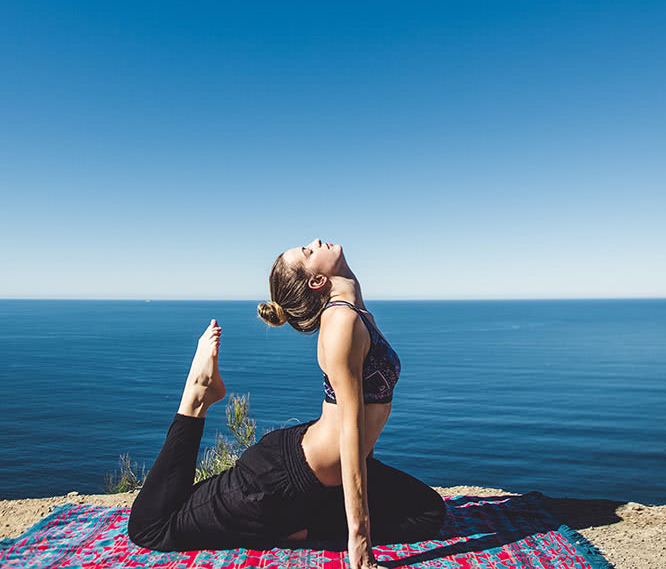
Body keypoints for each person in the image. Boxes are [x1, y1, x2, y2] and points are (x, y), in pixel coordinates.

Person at [126, 238, 446, 569]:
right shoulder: (341, 323)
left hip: (320, 475)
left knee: (428, 513)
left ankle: (291, 526)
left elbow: (362, 426)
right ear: (317, 281)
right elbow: (350, 432)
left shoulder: (357, 315)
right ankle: (196, 397)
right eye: (308, 251)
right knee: (152, 528)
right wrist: (360, 543)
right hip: (278, 480)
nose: (315, 242)